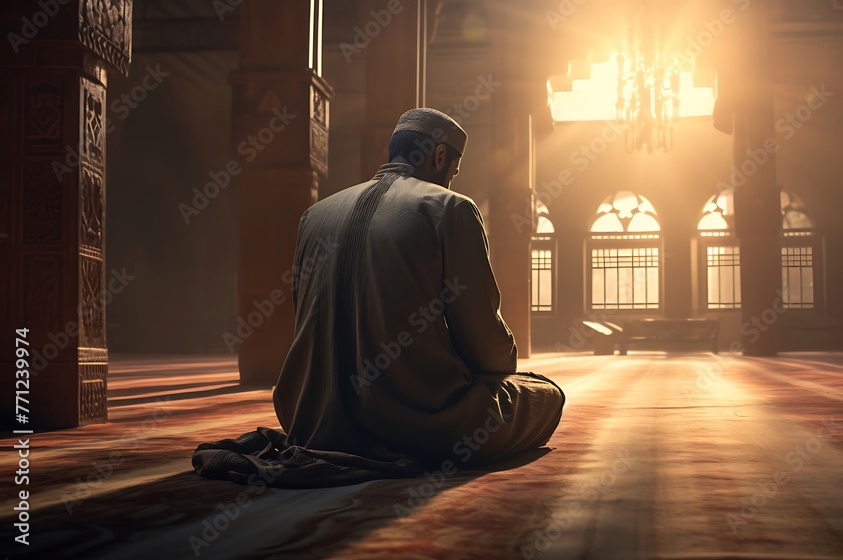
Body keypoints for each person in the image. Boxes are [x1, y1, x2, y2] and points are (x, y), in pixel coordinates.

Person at [193, 108, 565, 487]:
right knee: (546, 395)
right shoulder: (452, 209)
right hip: (419, 422)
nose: (451, 181)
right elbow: (485, 343)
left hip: (311, 418)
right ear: (440, 157)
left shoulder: (314, 215)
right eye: (453, 171)